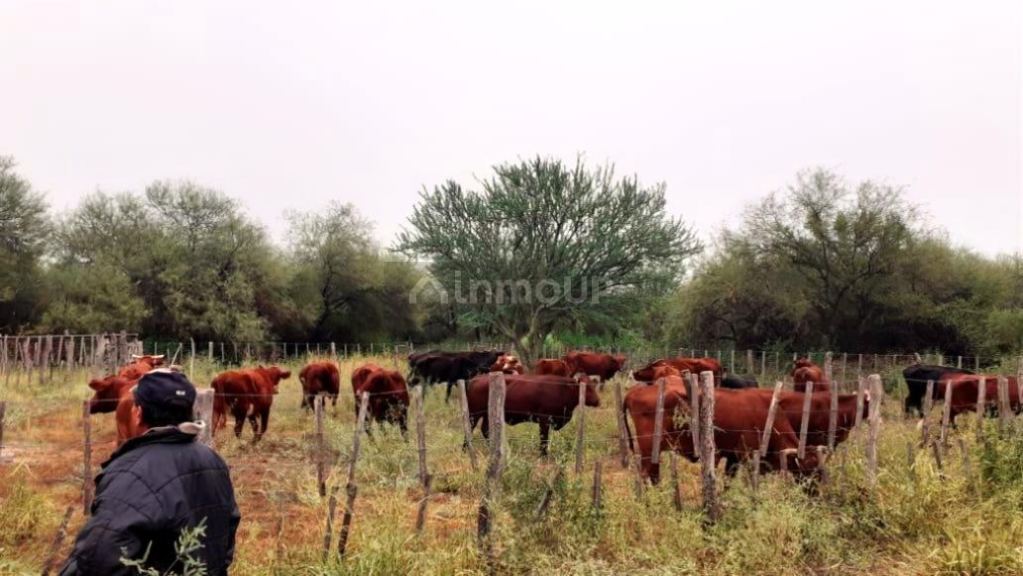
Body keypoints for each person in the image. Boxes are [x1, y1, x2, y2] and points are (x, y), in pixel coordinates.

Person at [61, 369, 241, 575]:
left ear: (137, 414)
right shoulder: (214, 461)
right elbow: (227, 533)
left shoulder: (130, 472)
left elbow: (97, 558)